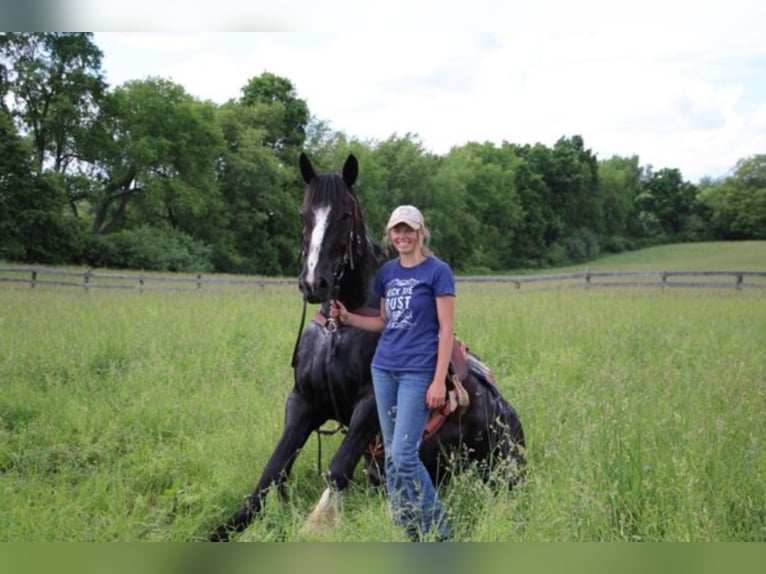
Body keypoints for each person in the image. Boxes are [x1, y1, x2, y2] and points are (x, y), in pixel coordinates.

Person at [330, 204, 454, 541]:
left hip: (417, 372)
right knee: (389, 456)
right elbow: (384, 322)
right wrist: (349, 319)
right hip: (383, 369)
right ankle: (407, 528)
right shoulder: (387, 274)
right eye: (396, 230)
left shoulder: (437, 272)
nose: (402, 236)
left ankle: (440, 533)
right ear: (389, 234)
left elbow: (446, 329)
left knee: (403, 455)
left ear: (420, 232)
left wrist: (439, 379)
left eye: (408, 230)